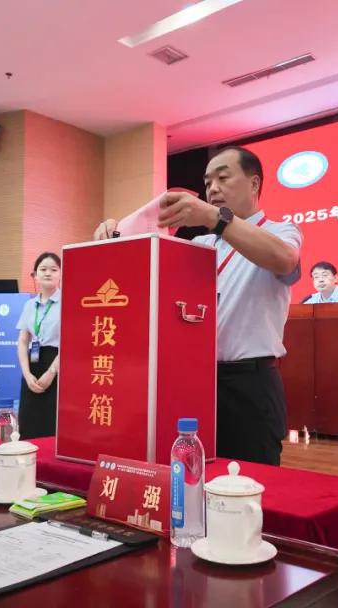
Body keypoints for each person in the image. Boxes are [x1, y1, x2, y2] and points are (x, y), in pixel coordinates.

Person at [95, 146, 302, 465]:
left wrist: (215, 219)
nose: (212, 189)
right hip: (194, 381)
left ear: (254, 183)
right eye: (207, 183)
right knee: (195, 472)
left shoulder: (280, 231)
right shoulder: (199, 245)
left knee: (251, 475)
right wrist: (117, 234)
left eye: (223, 178)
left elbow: (284, 260)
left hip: (249, 383)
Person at [15, 252, 62, 439]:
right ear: (35, 275)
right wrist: (27, 374)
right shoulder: (29, 305)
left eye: (54, 270)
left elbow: (70, 342)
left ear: (61, 274)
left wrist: (51, 372)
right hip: (33, 364)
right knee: (29, 422)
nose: (48, 273)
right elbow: (23, 341)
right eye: (43, 269)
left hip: (57, 365)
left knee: (51, 422)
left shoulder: (68, 302)